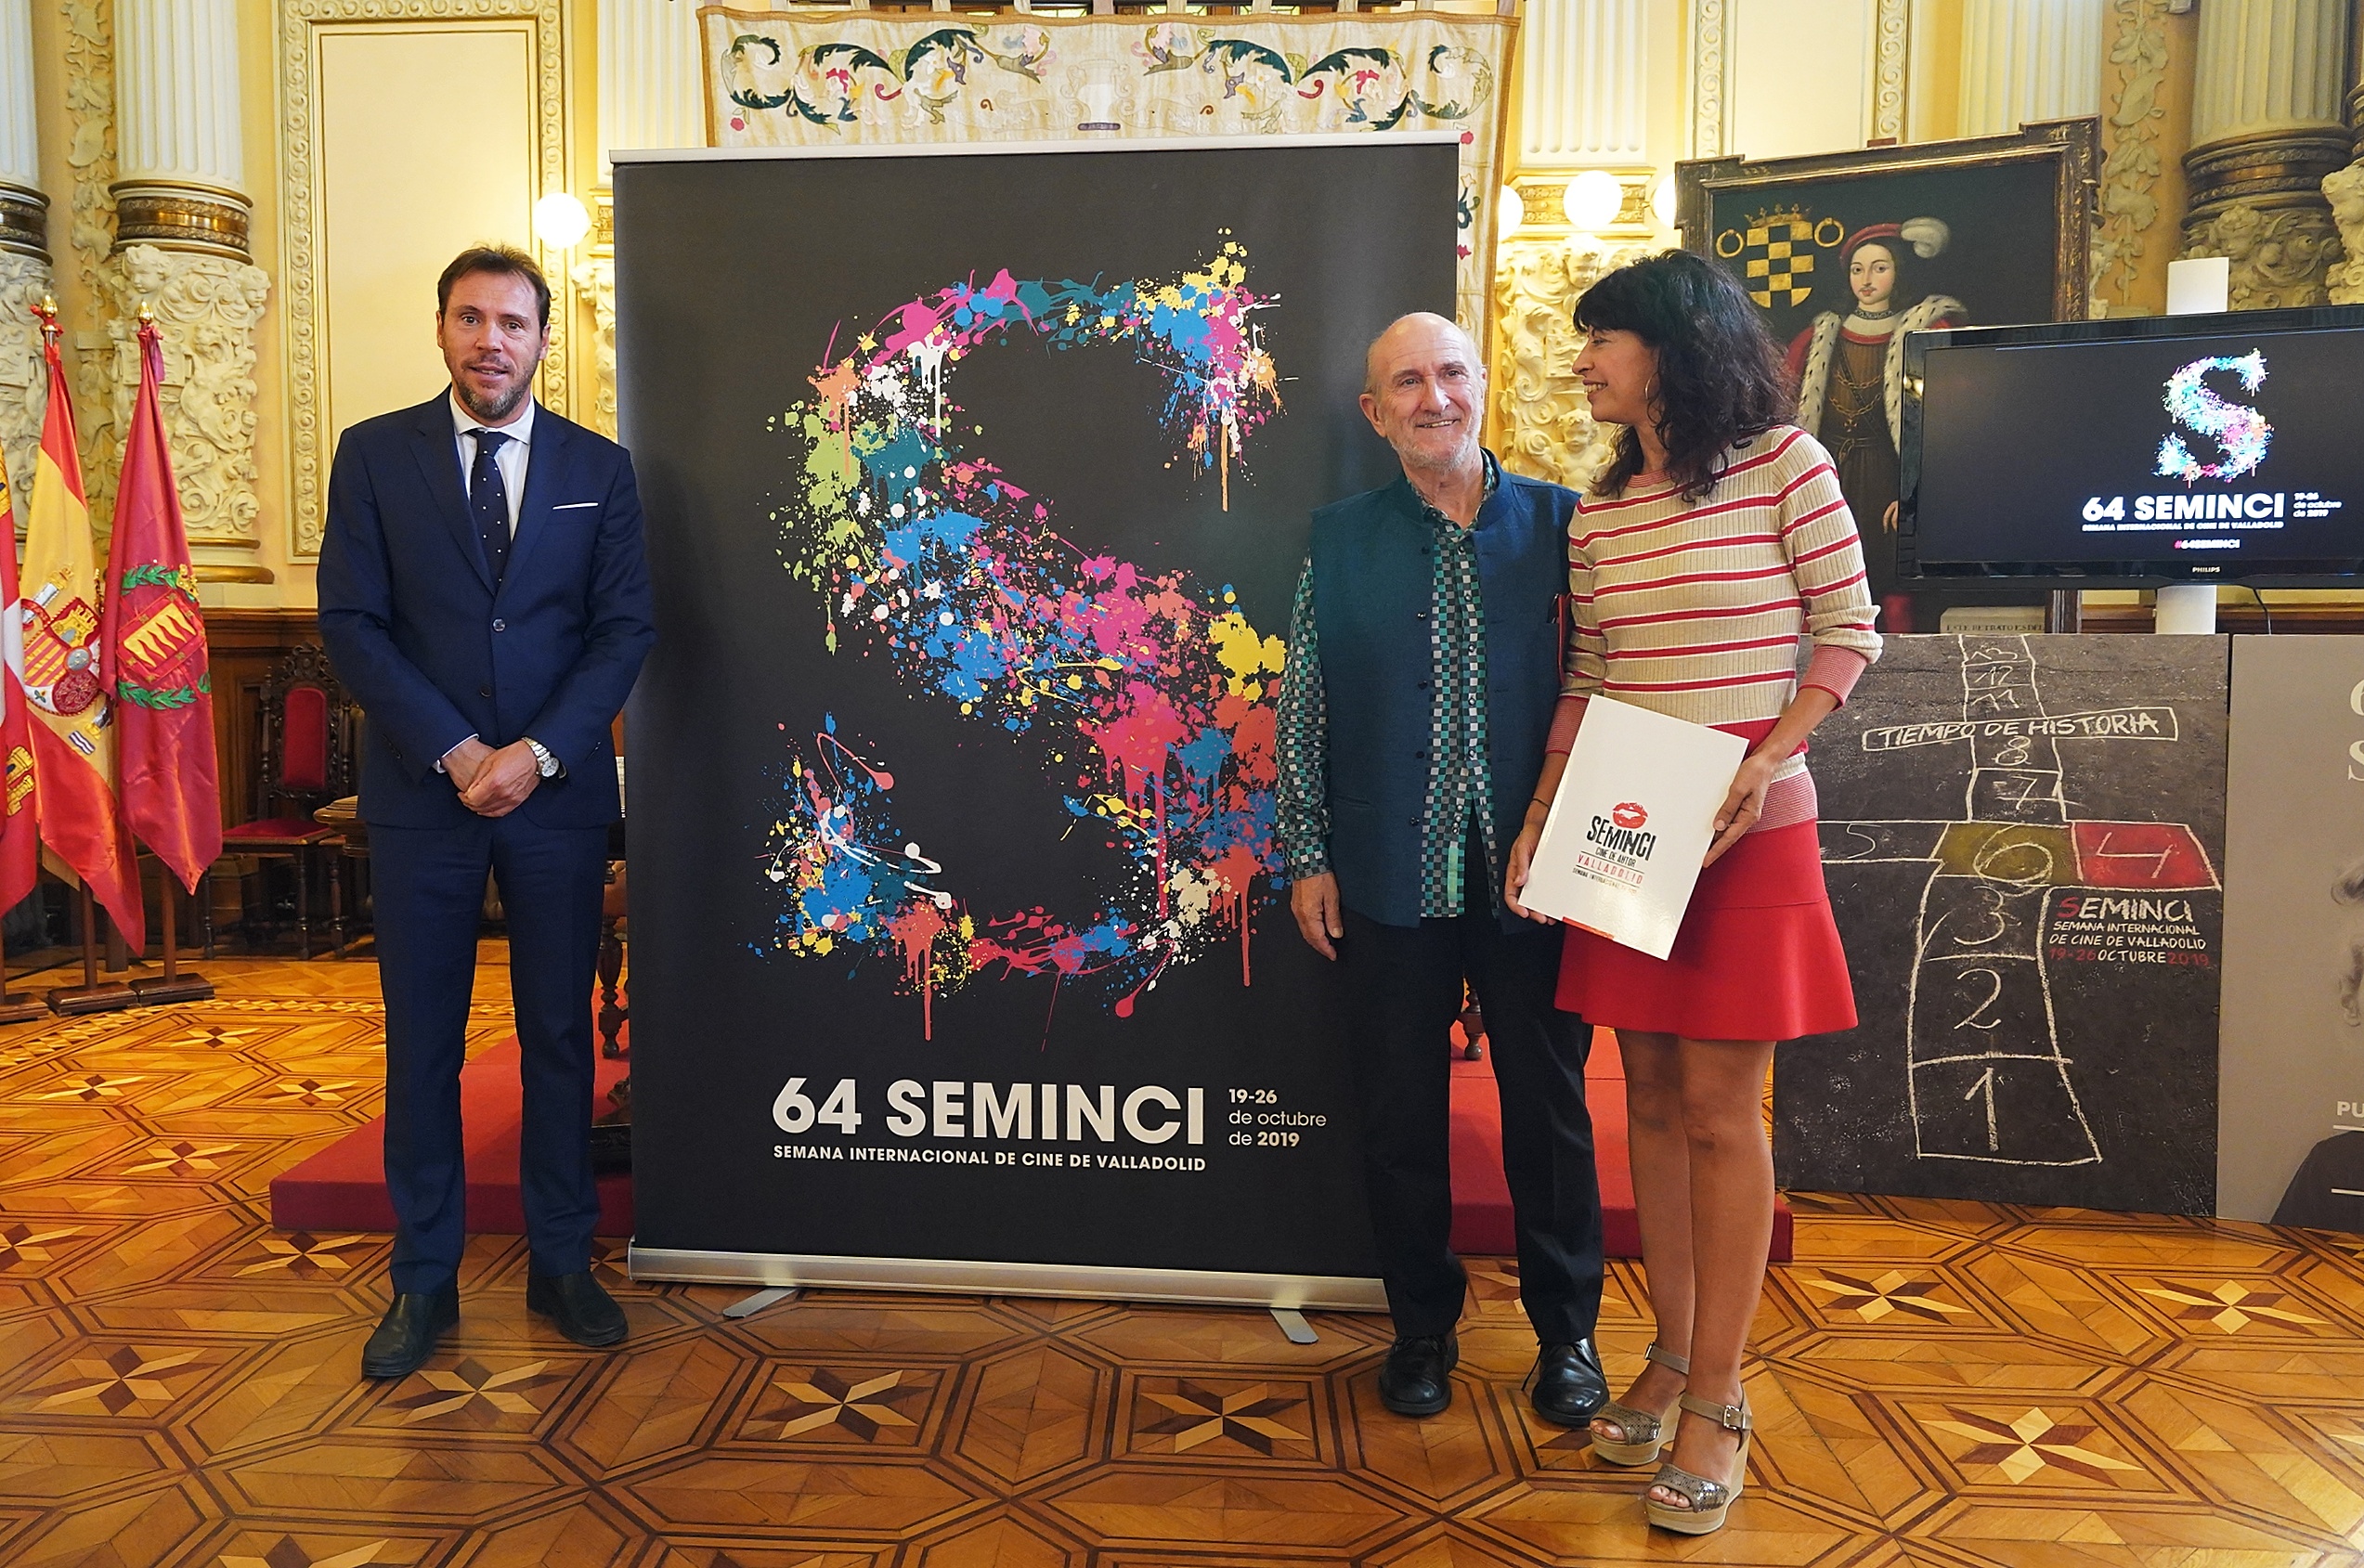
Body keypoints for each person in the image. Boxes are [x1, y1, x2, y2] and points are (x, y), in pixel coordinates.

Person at [1506, 252, 1880, 1534]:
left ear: (1670, 346)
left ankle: (1720, 1395)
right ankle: (1667, 1354)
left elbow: (1846, 630)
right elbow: (1591, 673)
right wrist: (1543, 812)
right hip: (1628, 808)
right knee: (1651, 1102)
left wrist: (1766, 761)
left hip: (1746, 822)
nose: (1581, 362)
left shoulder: (1785, 466)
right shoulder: (1600, 514)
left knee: (1721, 1111)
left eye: (1600, 339)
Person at [319, 245, 656, 1380]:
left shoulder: (599, 468)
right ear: (441, 329)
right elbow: (352, 623)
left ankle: (561, 1263)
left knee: (557, 1037)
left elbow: (623, 630)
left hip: (554, 801)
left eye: (512, 323)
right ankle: (422, 1281)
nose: (490, 341)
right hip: (424, 796)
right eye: (470, 318)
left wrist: (539, 753)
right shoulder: (374, 455)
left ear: (543, 340)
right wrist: (460, 749)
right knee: (422, 1044)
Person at [1277, 311, 1607, 1425]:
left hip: (1536, 875)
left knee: (1549, 1114)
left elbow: (1611, 680)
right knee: (1398, 1114)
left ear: (1481, 386)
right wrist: (1308, 852)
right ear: (1374, 414)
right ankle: (1420, 1328)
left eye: (1451, 374)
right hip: (1385, 870)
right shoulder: (1338, 540)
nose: (1434, 398)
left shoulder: (1568, 526)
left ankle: (1567, 1336)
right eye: (1408, 383)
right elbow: (1305, 705)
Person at [1784, 219, 1961, 632]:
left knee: (1891, 584)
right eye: (1857, 269)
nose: (1866, 279)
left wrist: (1915, 491)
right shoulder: (1818, 338)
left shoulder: (1928, 331)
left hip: (1887, 475)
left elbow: (1950, 423)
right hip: (1831, 475)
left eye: (1879, 268)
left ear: (1899, 271)